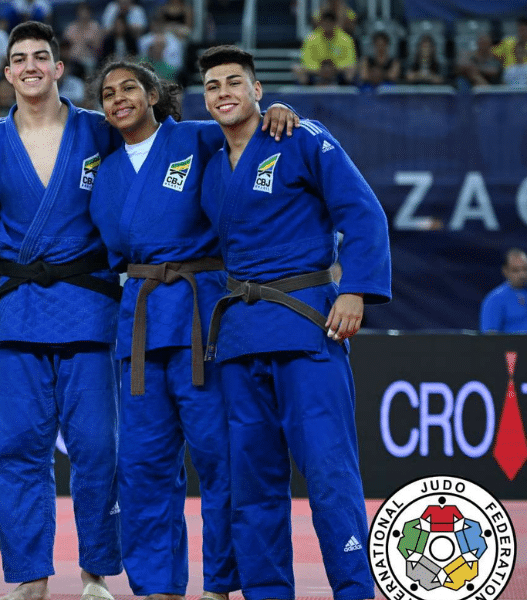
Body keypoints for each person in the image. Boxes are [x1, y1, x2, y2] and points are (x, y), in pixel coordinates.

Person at [88, 59, 296, 600]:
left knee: (219, 458)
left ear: (153, 93)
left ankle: (220, 584)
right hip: (138, 323)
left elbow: (245, 135)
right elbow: (114, 250)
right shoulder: (107, 173)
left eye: (129, 88)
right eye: (107, 94)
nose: (118, 99)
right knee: (141, 466)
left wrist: (275, 111)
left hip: (199, 320)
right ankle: (157, 586)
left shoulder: (196, 137)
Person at [197, 45, 391, 600]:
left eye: (236, 82)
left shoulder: (301, 137)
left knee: (329, 473)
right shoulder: (210, 165)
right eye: (213, 86)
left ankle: (355, 590)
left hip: (306, 327)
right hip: (238, 339)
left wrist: (354, 288)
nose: (224, 93)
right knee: (251, 483)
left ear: (259, 90)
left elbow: (362, 212)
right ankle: (266, 591)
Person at [0, 21, 123, 600]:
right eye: (19, 59)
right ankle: (31, 576)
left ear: (60, 69)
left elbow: (170, 148)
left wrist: (270, 109)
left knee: (97, 449)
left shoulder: (99, 130)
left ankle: (95, 574)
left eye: (41, 56)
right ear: (6, 73)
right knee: (15, 452)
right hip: (21, 312)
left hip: (89, 308)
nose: (31, 65)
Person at [297, 10, 356, 85]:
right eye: (325, 23)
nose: (328, 25)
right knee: (297, 68)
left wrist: (333, 69)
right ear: (321, 23)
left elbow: (350, 60)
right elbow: (306, 61)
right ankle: (307, 91)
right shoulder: (311, 39)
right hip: (316, 72)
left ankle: (346, 90)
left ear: (335, 23)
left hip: (338, 72)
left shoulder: (346, 39)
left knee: (351, 68)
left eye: (330, 23)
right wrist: (321, 70)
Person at [480, 248, 527, 333]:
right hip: (512, 346)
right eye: (515, 270)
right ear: (505, 271)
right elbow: (490, 336)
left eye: (525, 269)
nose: (522, 275)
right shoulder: (494, 299)